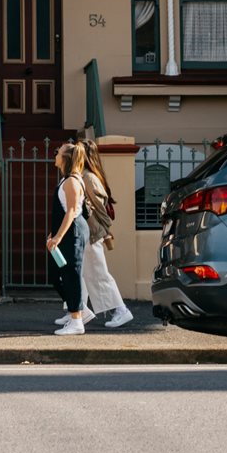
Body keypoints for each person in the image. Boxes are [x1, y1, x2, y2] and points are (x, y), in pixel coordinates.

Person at [78, 138, 133, 329]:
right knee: (83, 274)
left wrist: (105, 227)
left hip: (92, 233)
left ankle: (121, 310)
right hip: (89, 232)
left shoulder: (88, 177)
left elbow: (100, 206)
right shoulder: (86, 175)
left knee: (99, 273)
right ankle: (78, 310)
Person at [47, 141, 95, 335]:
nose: (56, 154)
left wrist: (58, 236)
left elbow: (73, 211)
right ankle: (78, 310)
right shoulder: (65, 180)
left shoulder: (72, 181)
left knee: (71, 274)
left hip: (73, 232)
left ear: (65, 158)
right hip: (66, 232)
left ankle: (77, 320)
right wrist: (54, 233)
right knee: (56, 275)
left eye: (58, 152)